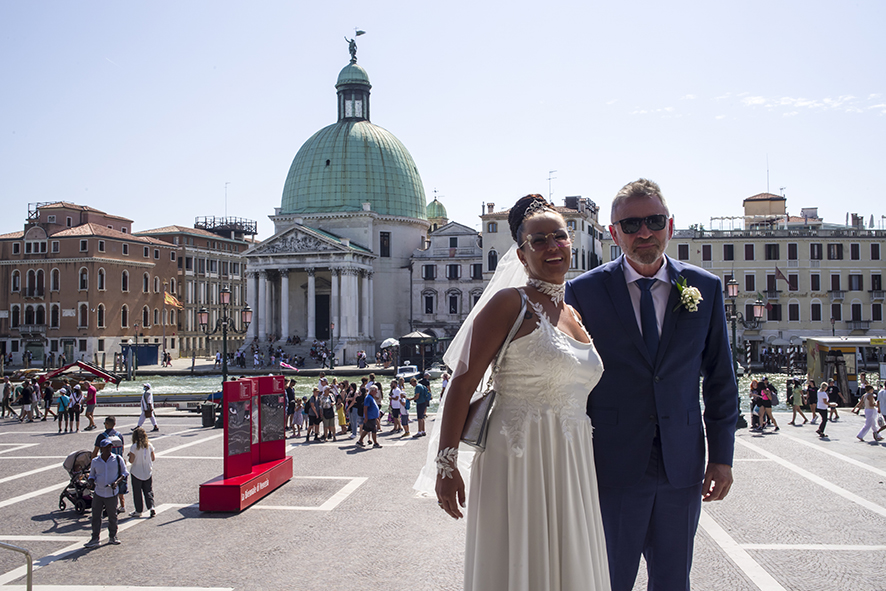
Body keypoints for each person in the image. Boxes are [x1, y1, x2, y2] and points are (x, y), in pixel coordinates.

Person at [421, 194, 610, 591]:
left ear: (570, 243)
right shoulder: (509, 303)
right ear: (522, 256)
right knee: (521, 562)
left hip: (572, 457)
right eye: (537, 241)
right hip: (520, 456)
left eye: (558, 237)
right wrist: (446, 464)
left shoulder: (575, 315)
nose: (551, 247)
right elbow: (461, 383)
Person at [566, 179, 738, 590]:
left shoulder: (706, 289)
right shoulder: (583, 292)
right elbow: (572, 382)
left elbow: (720, 379)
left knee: (673, 580)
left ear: (670, 225)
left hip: (681, 464)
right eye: (631, 224)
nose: (644, 232)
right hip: (613, 463)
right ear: (613, 233)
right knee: (610, 579)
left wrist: (722, 457)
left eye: (654, 220)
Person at [84, 438, 128, 547]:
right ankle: (95, 538)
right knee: (96, 516)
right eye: (105, 447)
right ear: (101, 449)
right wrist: (90, 482)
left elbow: (124, 473)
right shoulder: (95, 461)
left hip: (111, 493)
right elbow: (92, 475)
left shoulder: (117, 459)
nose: (108, 449)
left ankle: (113, 536)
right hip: (98, 492)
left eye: (109, 447)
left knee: (112, 516)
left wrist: (116, 483)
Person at [92, 416, 128, 514]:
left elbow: (95, 452)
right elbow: (122, 450)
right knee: (119, 483)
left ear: (106, 424)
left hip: (106, 463)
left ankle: (108, 506)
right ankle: (122, 506)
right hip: (118, 462)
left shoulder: (101, 436)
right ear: (114, 424)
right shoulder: (119, 435)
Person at [128, 427, 156, 518]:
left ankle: (138, 510)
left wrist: (129, 455)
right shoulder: (149, 445)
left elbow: (131, 461)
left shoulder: (134, 447)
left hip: (136, 472)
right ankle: (151, 507)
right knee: (148, 490)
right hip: (147, 471)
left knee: (137, 492)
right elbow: (153, 458)